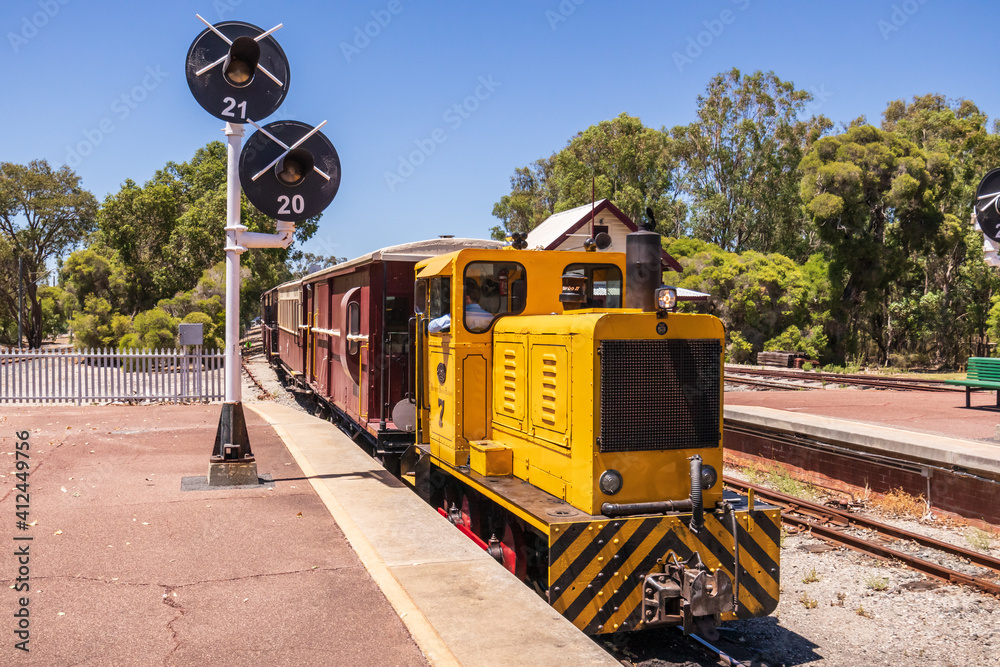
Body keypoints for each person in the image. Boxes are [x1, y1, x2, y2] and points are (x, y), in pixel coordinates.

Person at [428, 279, 493, 333]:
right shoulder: (490, 317)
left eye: (458, 297)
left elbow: (432, 327)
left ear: (467, 298)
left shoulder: (459, 317)